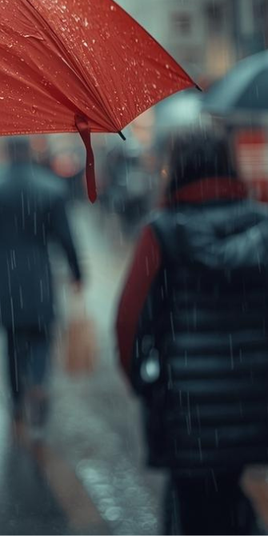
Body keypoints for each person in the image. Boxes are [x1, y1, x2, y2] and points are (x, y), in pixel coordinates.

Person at [115, 126, 268, 535]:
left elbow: (129, 322)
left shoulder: (162, 232)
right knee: (225, 489)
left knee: (195, 504)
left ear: (177, 168)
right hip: (253, 397)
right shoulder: (262, 225)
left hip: (186, 406)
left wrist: (141, 383)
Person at [0, 137, 83, 439]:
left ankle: (17, 401)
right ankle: (39, 381)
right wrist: (76, 272)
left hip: (5, 270)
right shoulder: (52, 187)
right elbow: (66, 236)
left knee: (11, 341)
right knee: (42, 335)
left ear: (7, 152)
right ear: (30, 151)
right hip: (38, 271)